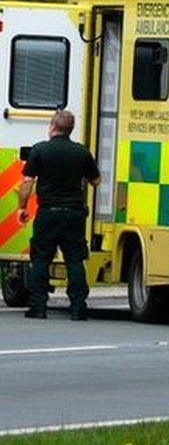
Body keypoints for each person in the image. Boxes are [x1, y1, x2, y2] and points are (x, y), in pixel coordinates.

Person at [17, 110, 100, 320]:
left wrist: (22, 208)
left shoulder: (40, 150)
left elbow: (27, 182)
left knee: (42, 259)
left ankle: (38, 307)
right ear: (70, 129)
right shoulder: (81, 152)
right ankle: (78, 307)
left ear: (52, 126)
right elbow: (96, 181)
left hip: (48, 214)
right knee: (74, 259)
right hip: (73, 214)